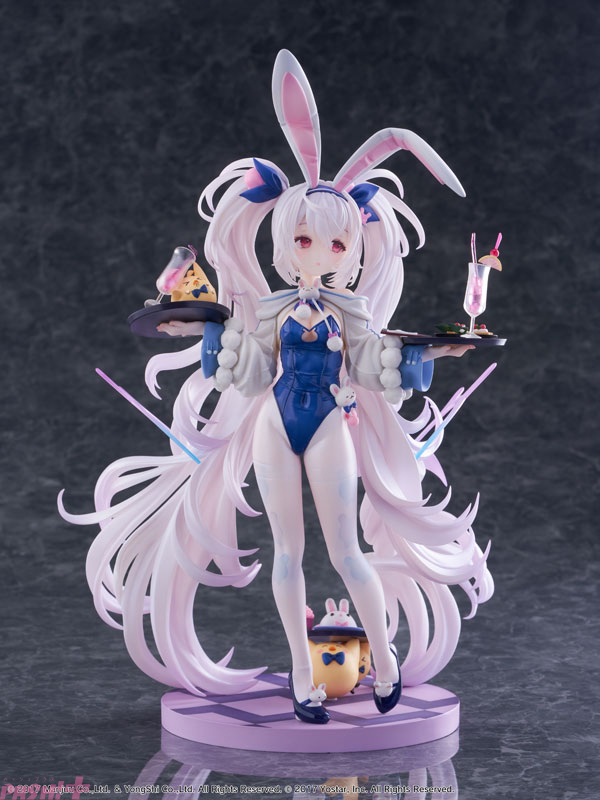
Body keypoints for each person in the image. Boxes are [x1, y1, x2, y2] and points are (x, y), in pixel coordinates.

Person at [59, 50, 493, 725]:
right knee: (288, 553)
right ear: (284, 241)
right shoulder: (266, 310)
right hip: (273, 423)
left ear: (353, 249)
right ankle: (302, 674)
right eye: (305, 239)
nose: (319, 254)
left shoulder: (352, 312)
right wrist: (200, 331)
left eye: (337, 246)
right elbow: (247, 373)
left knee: (346, 551)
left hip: (329, 422)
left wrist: (433, 352)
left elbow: (376, 368)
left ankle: (384, 656)